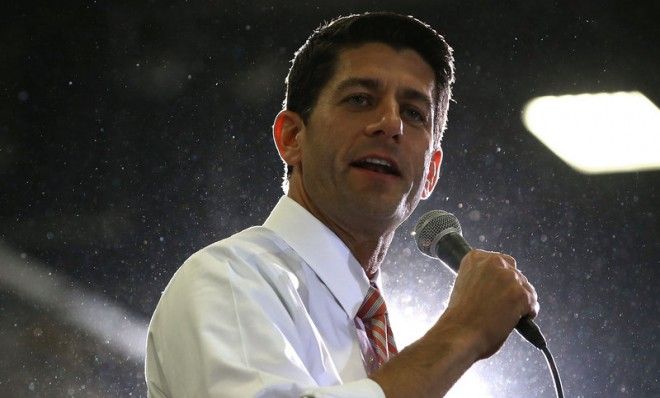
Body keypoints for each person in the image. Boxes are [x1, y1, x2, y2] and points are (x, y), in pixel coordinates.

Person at [145, 12, 539, 398]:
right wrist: (463, 331)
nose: (390, 123)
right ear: (292, 137)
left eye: (414, 113)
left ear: (431, 174)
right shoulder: (228, 280)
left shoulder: (383, 336)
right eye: (359, 99)